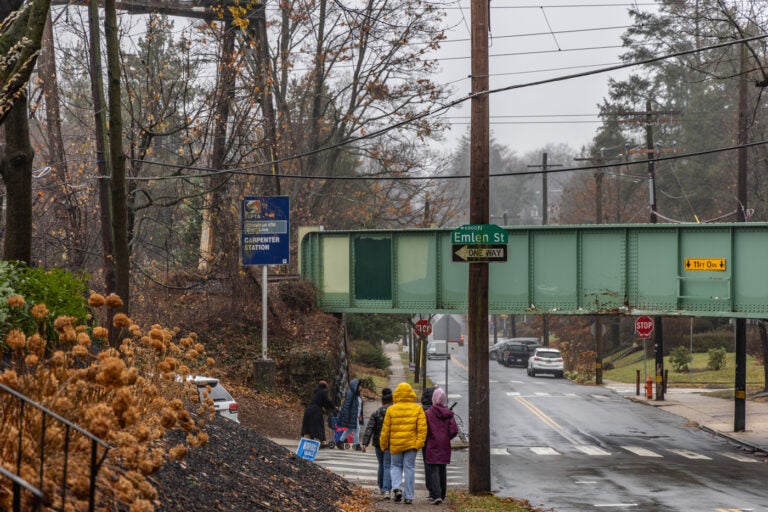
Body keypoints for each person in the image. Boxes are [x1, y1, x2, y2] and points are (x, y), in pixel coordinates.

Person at [380, 382, 427, 505]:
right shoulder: (417, 409)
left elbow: (386, 430)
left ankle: (396, 487)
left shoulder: (391, 409)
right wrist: (419, 443)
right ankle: (409, 496)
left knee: (395, 466)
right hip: (411, 444)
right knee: (409, 468)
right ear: (411, 394)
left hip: (395, 444)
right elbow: (422, 428)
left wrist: (383, 444)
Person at [424, 387, 458, 505]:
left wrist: (428, 437)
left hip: (432, 443)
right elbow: (454, 430)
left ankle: (436, 495)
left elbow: (425, 430)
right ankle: (442, 494)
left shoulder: (428, 413)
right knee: (442, 469)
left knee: (433, 469)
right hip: (444, 444)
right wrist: (446, 437)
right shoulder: (449, 413)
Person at [362, 387, 393, 498]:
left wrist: (365, 442)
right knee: (388, 465)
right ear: (392, 400)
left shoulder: (376, 413)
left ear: (382, 401)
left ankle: (381, 487)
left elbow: (369, 428)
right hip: (390, 442)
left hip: (378, 442)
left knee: (381, 464)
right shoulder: (394, 412)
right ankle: (387, 489)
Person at [300, 380, 337, 444]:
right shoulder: (323, 392)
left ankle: (305, 443)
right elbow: (327, 401)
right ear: (325, 386)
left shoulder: (316, 392)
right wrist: (334, 407)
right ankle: (323, 443)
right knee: (319, 426)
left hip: (308, 410)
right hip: (315, 411)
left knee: (307, 427)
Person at [338, 378, 364, 450]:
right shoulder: (351, 393)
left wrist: (360, 415)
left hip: (356, 416)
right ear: (356, 386)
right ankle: (357, 445)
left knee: (349, 430)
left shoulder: (357, 394)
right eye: (360, 386)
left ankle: (340, 442)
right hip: (352, 416)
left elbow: (358, 406)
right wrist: (346, 416)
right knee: (357, 429)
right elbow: (346, 405)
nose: (361, 387)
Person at [420, 386, 435, 496]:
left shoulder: (420, 411)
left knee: (427, 464)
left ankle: (430, 487)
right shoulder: (438, 410)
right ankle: (438, 490)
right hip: (439, 442)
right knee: (439, 466)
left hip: (425, 441)